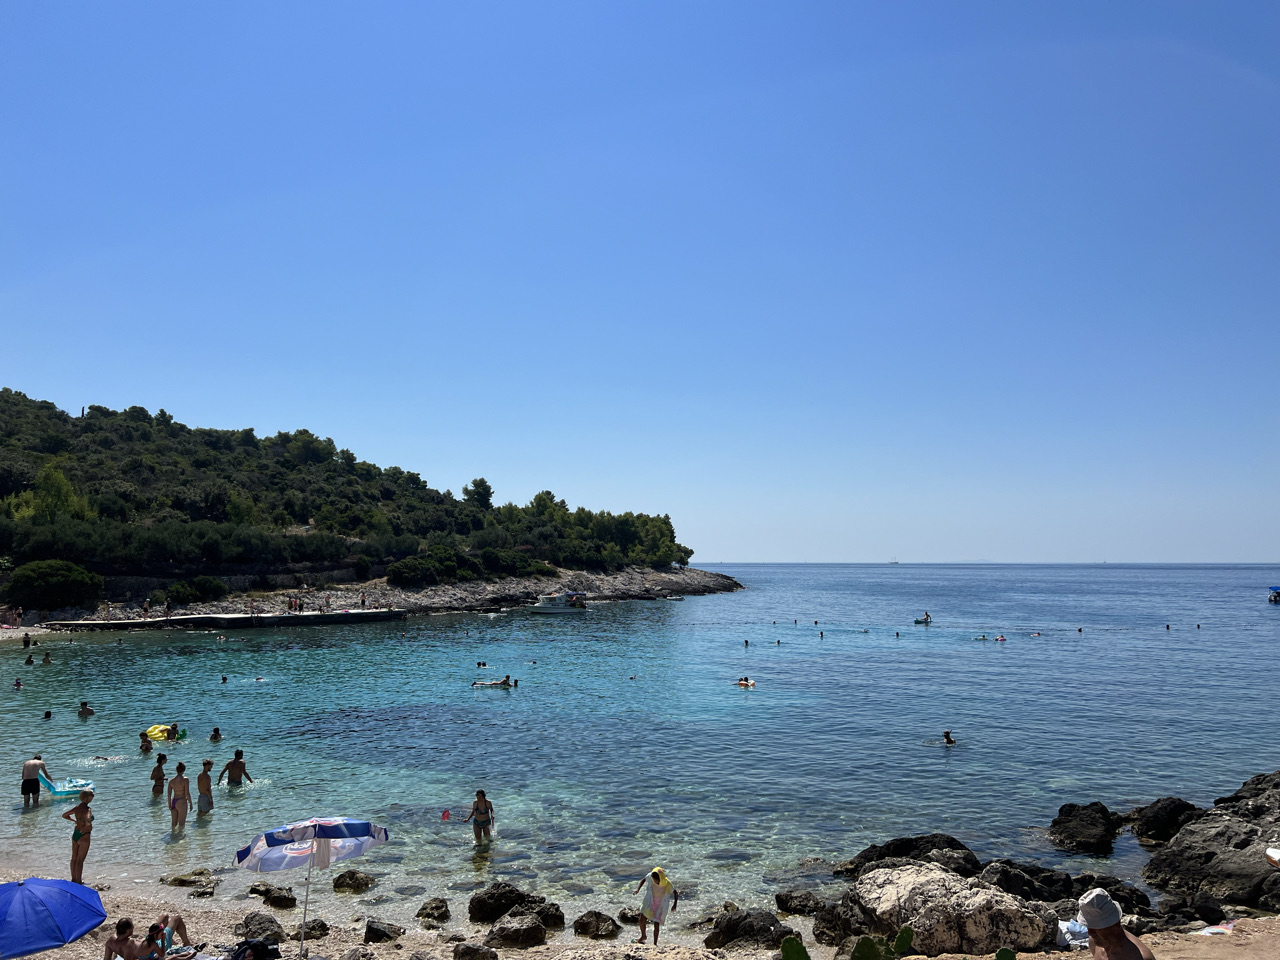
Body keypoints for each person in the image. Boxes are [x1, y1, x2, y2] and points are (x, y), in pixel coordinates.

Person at [1077, 888, 1154, 960]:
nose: (1090, 932)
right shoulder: (1094, 941)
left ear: (1116, 924)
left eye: (1095, 927)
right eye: (1088, 926)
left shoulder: (1140, 957)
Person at [632, 867, 678, 944]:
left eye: (655, 880)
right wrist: (638, 889)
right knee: (641, 919)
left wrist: (675, 904)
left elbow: (675, 892)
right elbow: (644, 879)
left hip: (660, 905)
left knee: (656, 924)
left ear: (660, 878)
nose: (653, 880)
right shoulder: (651, 875)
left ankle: (655, 943)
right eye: (653, 879)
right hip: (650, 901)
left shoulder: (667, 883)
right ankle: (643, 936)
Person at [61, 789, 94, 883]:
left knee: (74, 858)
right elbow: (88, 819)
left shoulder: (77, 808)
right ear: (88, 797)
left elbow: (64, 815)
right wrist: (88, 826)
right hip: (84, 835)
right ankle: (78, 881)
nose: (93, 797)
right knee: (80, 860)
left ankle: (74, 879)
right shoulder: (88, 809)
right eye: (92, 796)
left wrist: (74, 820)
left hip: (76, 833)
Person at [167, 762, 192, 830]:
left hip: (174, 801)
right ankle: (180, 836)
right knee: (181, 824)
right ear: (184, 770)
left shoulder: (171, 781)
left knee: (173, 824)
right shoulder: (185, 780)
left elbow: (169, 794)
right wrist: (190, 803)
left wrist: (169, 804)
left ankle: (173, 835)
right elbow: (187, 793)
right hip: (181, 801)